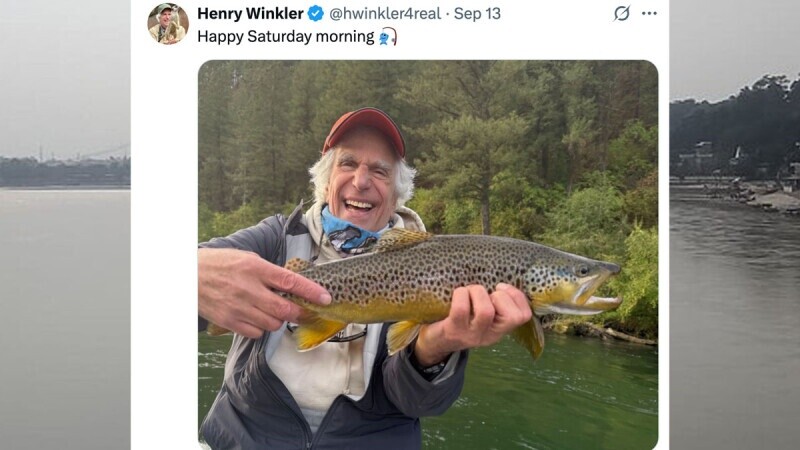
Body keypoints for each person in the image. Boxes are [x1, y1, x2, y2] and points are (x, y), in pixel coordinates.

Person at [198, 107, 532, 449]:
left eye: (379, 170)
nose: (361, 181)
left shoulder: (431, 264)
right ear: (326, 180)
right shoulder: (274, 239)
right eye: (348, 163)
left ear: (397, 193)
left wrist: (433, 351)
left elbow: (418, 405)